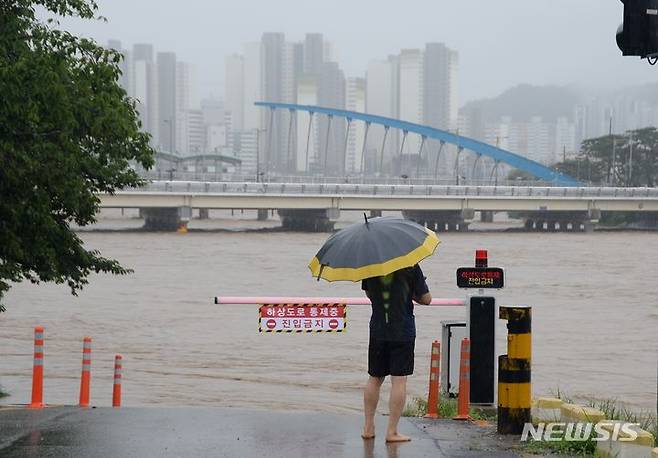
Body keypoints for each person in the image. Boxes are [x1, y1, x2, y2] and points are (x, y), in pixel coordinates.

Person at [360, 264, 432, 443]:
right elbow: (427, 299)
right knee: (399, 380)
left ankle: (368, 427)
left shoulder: (371, 264)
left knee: (374, 378)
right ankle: (392, 432)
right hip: (403, 330)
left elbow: (370, 294)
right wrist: (410, 293)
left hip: (378, 329)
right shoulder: (410, 265)